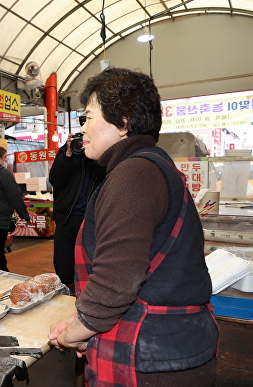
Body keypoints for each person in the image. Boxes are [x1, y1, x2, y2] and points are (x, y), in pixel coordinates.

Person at [48, 68, 218, 386]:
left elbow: (117, 281)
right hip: (174, 346)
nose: (82, 129)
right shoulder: (152, 166)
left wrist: (77, 329)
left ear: (124, 121)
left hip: (152, 356)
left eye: (88, 117)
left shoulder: (134, 174)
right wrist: (85, 328)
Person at [48, 134, 106, 294]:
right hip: (66, 217)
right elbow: (55, 180)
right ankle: (69, 292)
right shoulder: (67, 152)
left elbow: (105, 174)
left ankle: (87, 294)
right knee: (63, 263)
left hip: (90, 219)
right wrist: (68, 154)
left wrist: (94, 152)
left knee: (89, 260)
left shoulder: (99, 153)